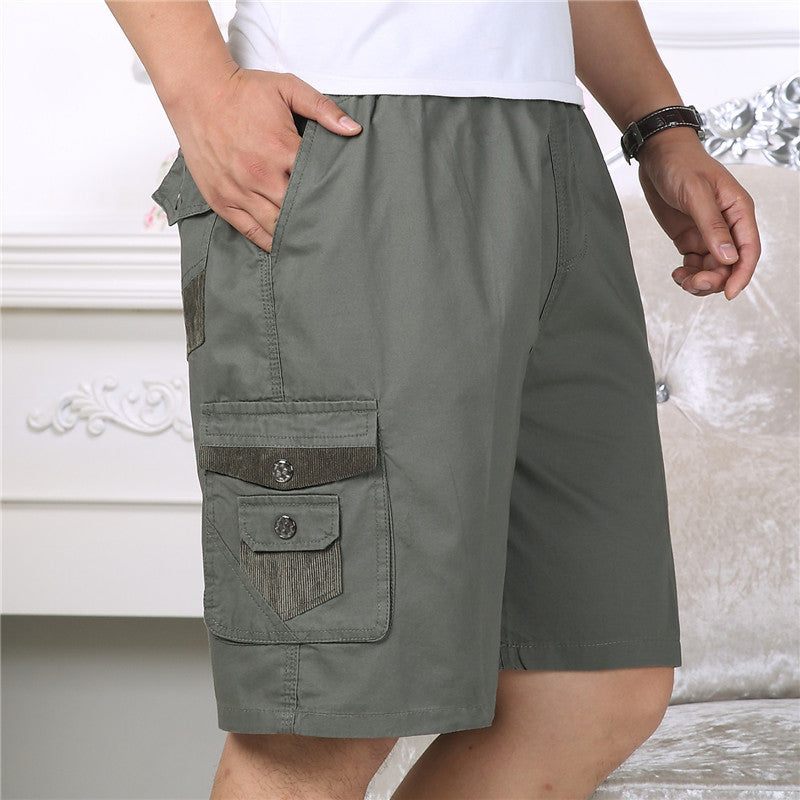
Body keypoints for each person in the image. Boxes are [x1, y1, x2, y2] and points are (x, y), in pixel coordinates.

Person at [106, 2, 761, 798]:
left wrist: (661, 128)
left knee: (590, 685)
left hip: (552, 148)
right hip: (353, 131)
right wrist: (202, 91)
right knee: (322, 727)